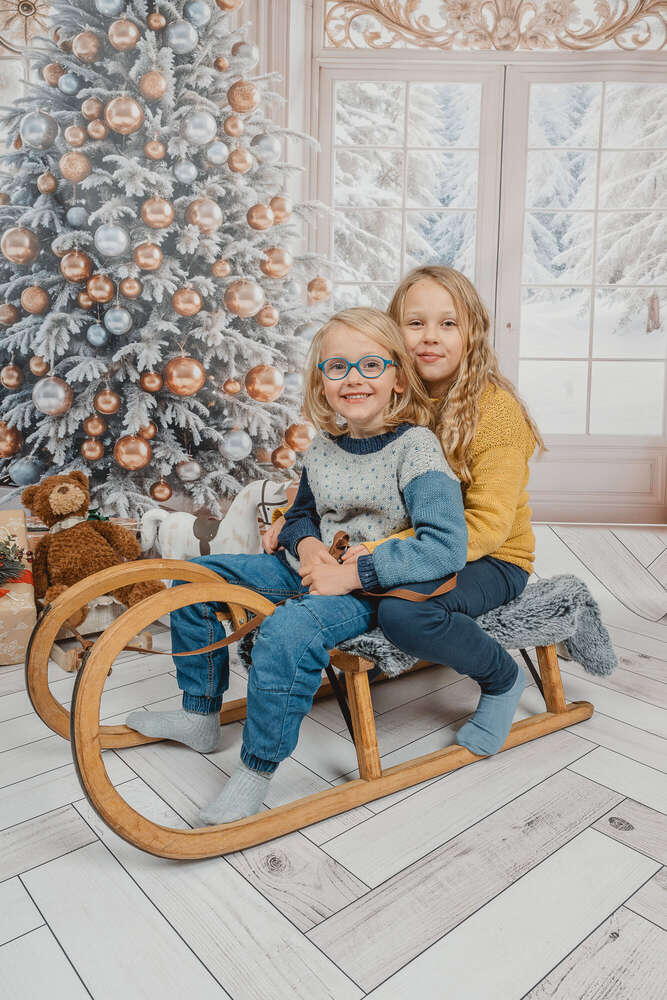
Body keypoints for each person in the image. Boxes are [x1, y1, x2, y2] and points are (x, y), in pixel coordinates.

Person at [126, 307, 467, 825]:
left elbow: (445, 545)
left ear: (399, 378)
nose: (353, 378)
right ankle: (199, 713)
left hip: (365, 590)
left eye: (371, 365)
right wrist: (307, 547)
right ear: (322, 382)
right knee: (194, 577)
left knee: (288, 632)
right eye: (337, 367)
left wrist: (357, 573)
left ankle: (257, 768)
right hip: (305, 570)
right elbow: (301, 515)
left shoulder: (417, 448)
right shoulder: (324, 447)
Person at [268, 266, 545, 758]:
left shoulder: (495, 413)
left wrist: (361, 558)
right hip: (411, 548)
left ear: (472, 332)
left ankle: (502, 678)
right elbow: (349, 473)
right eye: (415, 324)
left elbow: (485, 527)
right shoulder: (397, 395)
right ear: (393, 334)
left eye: (448, 324)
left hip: (491, 556)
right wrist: (294, 517)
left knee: (403, 613)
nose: (430, 338)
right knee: (343, 581)